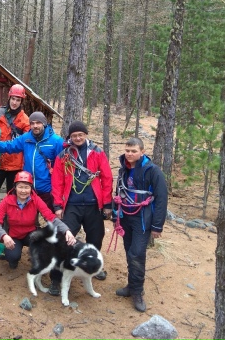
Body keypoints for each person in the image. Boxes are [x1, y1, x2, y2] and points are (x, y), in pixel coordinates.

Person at [107, 137, 167, 312]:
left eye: (133, 151)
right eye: (127, 150)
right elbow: (119, 192)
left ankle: (137, 291)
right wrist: (116, 216)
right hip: (126, 216)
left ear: (142, 152)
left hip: (142, 218)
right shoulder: (124, 169)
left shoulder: (153, 171)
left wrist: (157, 226)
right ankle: (131, 285)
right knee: (129, 251)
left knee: (137, 253)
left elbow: (161, 199)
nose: (130, 154)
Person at [51, 121, 113, 281]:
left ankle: (93, 267)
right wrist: (57, 205)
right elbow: (57, 182)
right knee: (63, 238)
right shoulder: (63, 155)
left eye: (80, 135)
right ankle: (56, 278)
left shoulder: (97, 152)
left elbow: (107, 178)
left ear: (86, 134)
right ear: (70, 137)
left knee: (96, 238)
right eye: (74, 135)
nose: (77, 138)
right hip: (71, 204)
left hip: (93, 204)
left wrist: (107, 203)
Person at [0, 171, 76, 269]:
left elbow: (50, 218)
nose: (23, 191)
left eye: (26, 187)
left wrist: (66, 230)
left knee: (45, 244)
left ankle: (39, 260)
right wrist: (4, 236)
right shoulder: (7, 201)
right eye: (20, 187)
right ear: (15, 187)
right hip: (13, 236)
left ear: (31, 188)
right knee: (12, 257)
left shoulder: (36, 200)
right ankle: (11, 257)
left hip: (31, 234)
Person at [0, 111, 63, 212]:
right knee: (29, 218)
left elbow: (62, 167)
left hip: (47, 189)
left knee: (51, 218)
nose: (35, 126)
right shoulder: (26, 138)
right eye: (32, 123)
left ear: (44, 123)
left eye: (38, 123)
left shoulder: (56, 141)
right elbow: (10, 145)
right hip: (29, 189)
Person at [0, 84, 30, 193]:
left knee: (13, 196)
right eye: (13, 99)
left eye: (18, 100)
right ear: (9, 98)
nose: (14, 102)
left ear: (21, 101)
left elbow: (26, 143)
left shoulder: (25, 120)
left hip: (15, 165)